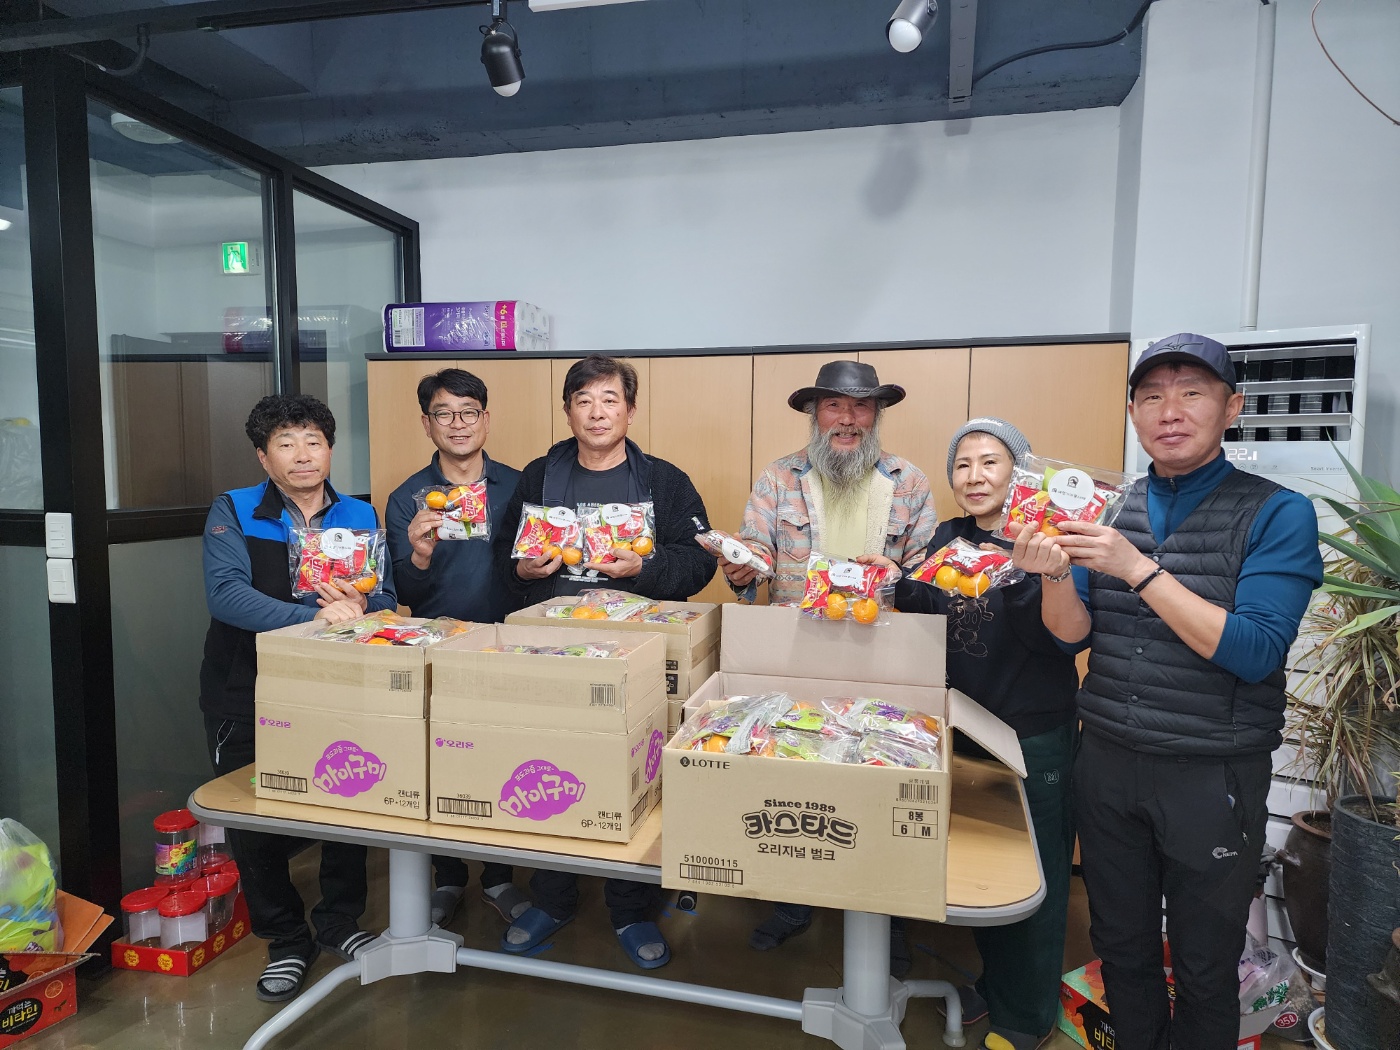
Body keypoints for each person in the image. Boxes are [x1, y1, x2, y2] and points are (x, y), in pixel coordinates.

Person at [1012, 334, 1323, 1050]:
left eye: (1191, 393)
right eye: (1151, 396)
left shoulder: (1278, 513)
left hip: (1211, 774)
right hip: (1107, 762)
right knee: (1120, 945)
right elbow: (1071, 637)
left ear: (1231, 408)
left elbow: (1254, 650)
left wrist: (1138, 569)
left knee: (1206, 964)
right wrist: (1053, 574)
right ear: (1133, 412)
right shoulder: (1107, 504)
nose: (1169, 411)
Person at [495, 354, 715, 969]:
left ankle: (631, 907)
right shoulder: (539, 476)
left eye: (609, 400)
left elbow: (699, 561)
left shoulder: (664, 481)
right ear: (568, 411)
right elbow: (505, 561)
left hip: (638, 656)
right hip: (552, 655)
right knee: (544, 768)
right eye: (584, 400)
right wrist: (524, 571)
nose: (597, 412)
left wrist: (645, 568)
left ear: (631, 410)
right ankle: (553, 898)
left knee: (637, 775)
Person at [721, 360, 938, 960]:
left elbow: (927, 569)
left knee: (879, 778)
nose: (847, 419)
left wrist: (901, 573)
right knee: (795, 775)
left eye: (861, 406)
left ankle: (886, 910)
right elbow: (754, 554)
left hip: (883, 651)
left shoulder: (909, 482)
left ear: (877, 415)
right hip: (796, 652)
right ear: (815, 414)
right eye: (834, 406)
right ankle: (793, 897)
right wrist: (740, 568)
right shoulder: (779, 478)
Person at [881, 418, 1080, 1050]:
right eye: (962, 465)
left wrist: (1052, 572)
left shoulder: (1051, 539)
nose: (974, 476)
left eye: (990, 462)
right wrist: (884, 577)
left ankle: (1026, 1018)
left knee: (1037, 879)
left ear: (1019, 471)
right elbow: (918, 606)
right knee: (987, 872)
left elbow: (1070, 637)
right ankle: (996, 987)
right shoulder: (947, 538)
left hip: (1031, 733)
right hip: (965, 731)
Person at [200, 393, 397, 1002]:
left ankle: (339, 920)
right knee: (253, 816)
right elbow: (226, 595)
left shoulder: (359, 513)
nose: (302, 454)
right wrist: (313, 618)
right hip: (246, 687)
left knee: (347, 800)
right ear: (264, 457)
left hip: (337, 687)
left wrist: (363, 604)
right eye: (285, 443)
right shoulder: (234, 509)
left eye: (313, 440)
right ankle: (285, 937)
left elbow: (386, 597)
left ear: (330, 450)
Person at [384, 368, 528, 930]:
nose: (458, 423)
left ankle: (499, 876)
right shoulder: (407, 498)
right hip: (437, 651)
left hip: (509, 646)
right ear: (427, 424)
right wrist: (419, 554)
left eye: (469, 412)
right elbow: (401, 592)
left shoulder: (520, 485)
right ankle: (446, 876)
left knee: (503, 757)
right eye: (444, 413)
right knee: (437, 760)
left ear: (485, 419)